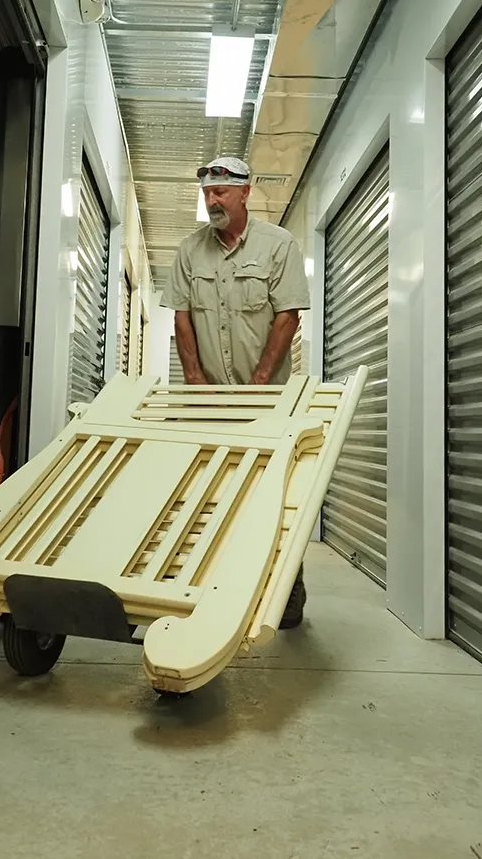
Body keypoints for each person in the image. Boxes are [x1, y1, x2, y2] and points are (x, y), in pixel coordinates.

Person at [161, 156, 311, 627]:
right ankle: (214, 584)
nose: (212, 201)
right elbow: (181, 316)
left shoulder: (278, 245)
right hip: (207, 400)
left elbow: (288, 314)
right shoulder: (190, 251)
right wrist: (195, 380)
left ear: (246, 192)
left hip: (266, 398)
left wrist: (262, 381)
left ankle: (286, 589)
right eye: (207, 194)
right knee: (209, 493)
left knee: (271, 495)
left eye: (221, 193)